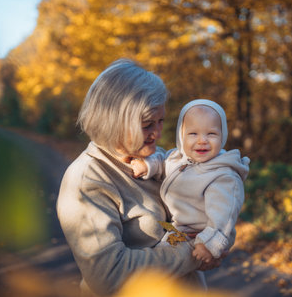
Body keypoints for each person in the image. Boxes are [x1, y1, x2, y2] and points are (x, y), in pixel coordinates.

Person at [56, 60, 220, 297]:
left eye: (161, 121)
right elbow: (109, 276)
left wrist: (216, 239)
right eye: (147, 125)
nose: (158, 133)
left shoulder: (161, 159)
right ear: (114, 121)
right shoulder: (87, 180)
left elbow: (207, 210)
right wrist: (194, 253)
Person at [131, 99, 250, 264]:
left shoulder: (223, 176)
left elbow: (224, 216)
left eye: (211, 134)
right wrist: (147, 165)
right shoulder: (178, 158)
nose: (202, 140)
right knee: (160, 260)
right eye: (193, 134)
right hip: (178, 228)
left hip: (200, 233)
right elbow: (162, 161)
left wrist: (209, 243)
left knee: (167, 263)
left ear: (222, 136)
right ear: (181, 136)